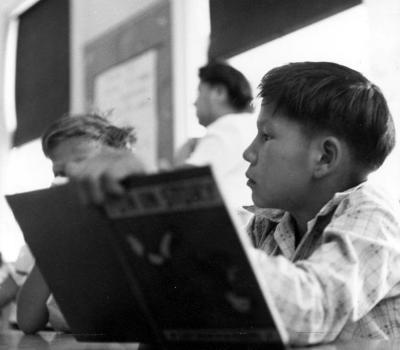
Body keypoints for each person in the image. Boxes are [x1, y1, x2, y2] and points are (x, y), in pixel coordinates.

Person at [65, 61, 400, 346]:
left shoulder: (374, 217)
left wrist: (178, 221)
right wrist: (131, 201)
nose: (248, 153)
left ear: (324, 157)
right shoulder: (269, 224)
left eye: (266, 136)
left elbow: (312, 308)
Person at [16, 113, 137, 334]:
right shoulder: (64, 236)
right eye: (60, 172)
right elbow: (27, 321)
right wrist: (50, 242)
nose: (71, 175)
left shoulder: (132, 223)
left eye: (82, 161)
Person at [174, 61, 256, 223]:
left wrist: (182, 154)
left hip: (229, 224)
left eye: (199, 93)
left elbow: (182, 183)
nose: (195, 102)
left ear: (218, 92)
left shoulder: (227, 126)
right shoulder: (250, 125)